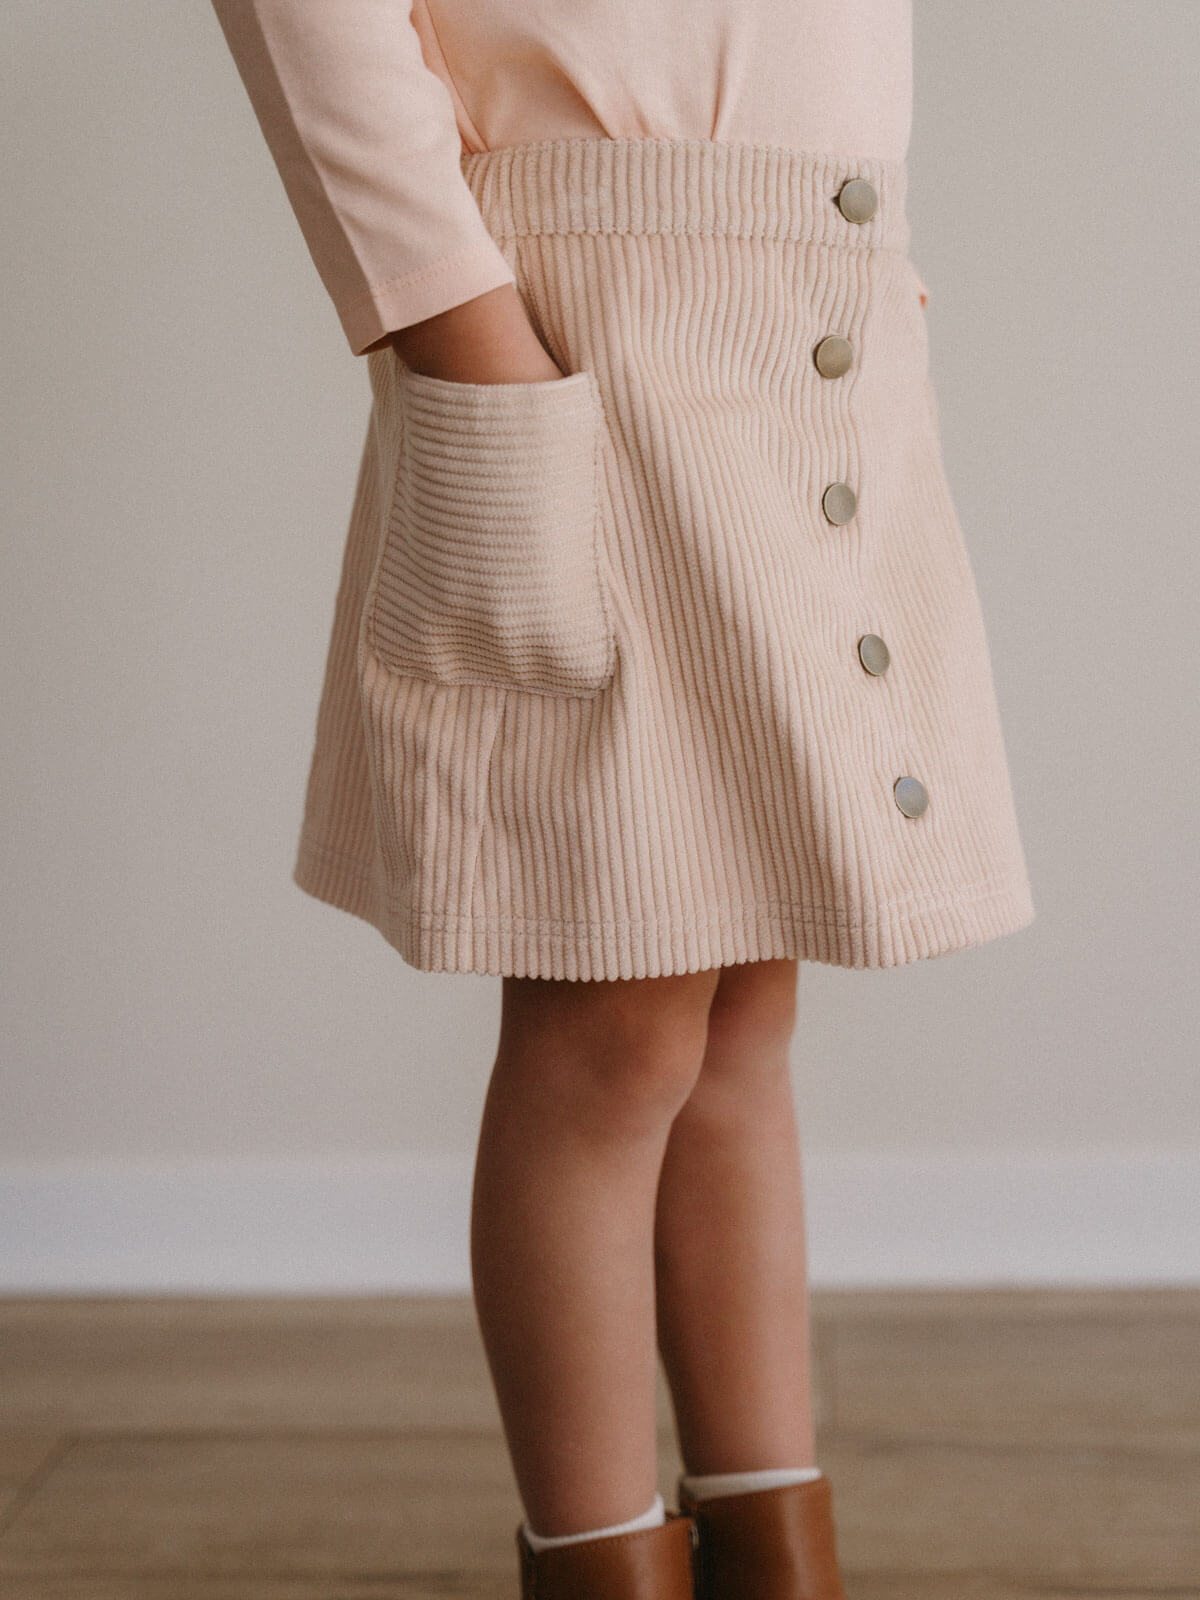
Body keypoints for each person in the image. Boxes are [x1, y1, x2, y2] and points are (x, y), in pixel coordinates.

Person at [209, 4, 1036, 1596]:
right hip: (588, 326)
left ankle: (775, 1551)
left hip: (820, 305)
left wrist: (866, 254)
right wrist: (458, 323)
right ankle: (600, 1566)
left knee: (740, 1014)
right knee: (615, 1028)